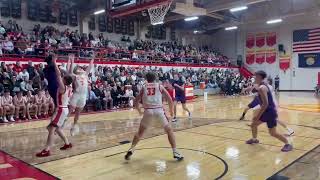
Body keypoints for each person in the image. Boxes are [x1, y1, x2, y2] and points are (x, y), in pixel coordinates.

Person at [124, 72, 184, 161]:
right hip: (158, 111)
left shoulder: (144, 87)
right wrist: (171, 111)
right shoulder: (159, 86)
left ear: (146, 79)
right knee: (169, 130)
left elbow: (136, 101)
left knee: (140, 133)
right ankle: (175, 152)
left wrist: (139, 110)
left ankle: (131, 148)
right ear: (155, 77)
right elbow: (169, 99)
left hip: (148, 111)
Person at [245, 71, 293, 152]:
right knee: (253, 124)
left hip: (269, 112)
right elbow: (255, 87)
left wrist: (258, 116)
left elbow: (265, 104)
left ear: (259, 77)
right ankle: (254, 139)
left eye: (255, 76)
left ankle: (288, 143)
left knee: (272, 133)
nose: (254, 78)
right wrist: (248, 88)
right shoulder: (262, 84)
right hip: (267, 111)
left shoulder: (262, 88)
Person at [36, 56, 73, 157]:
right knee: (53, 128)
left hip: (61, 110)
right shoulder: (69, 86)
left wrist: (55, 62)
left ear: (64, 81)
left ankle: (47, 150)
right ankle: (67, 143)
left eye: (63, 78)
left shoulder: (62, 87)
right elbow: (68, 75)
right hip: (63, 109)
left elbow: (58, 74)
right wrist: (71, 61)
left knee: (52, 129)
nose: (62, 77)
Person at [68, 54, 94, 136]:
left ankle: (74, 126)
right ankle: (60, 125)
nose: (81, 69)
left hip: (83, 96)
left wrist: (92, 59)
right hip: (76, 94)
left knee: (78, 113)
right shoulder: (75, 76)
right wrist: (71, 61)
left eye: (81, 68)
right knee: (70, 111)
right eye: (79, 68)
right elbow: (69, 72)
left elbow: (90, 67)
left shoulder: (85, 75)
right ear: (77, 70)